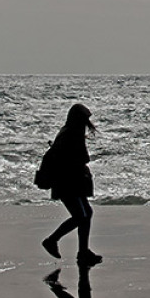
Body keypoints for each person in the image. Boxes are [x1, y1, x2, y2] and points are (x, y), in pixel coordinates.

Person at [41, 103, 102, 266]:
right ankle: (52, 240)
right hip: (66, 183)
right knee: (81, 216)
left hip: (70, 182)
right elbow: (82, 159)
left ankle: (83, 252)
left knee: (86, 213)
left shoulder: (68, 132)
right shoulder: (71, 134)